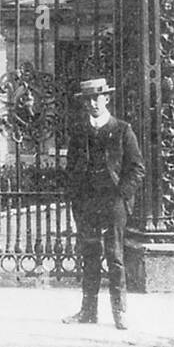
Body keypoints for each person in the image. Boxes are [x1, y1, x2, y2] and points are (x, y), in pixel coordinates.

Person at [63, 76, 144, 330]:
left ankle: (120, 312)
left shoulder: (122, 129)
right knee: (89, 255)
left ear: (106, 98)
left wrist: (122, 195)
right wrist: (76, 196)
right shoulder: (79, 131)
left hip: (113, 202)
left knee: (115, 256)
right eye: (87, 99)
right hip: (87, 202)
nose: (92, 103)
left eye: (96, 98)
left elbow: (137, 168)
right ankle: (88, 311)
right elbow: (71, 168)